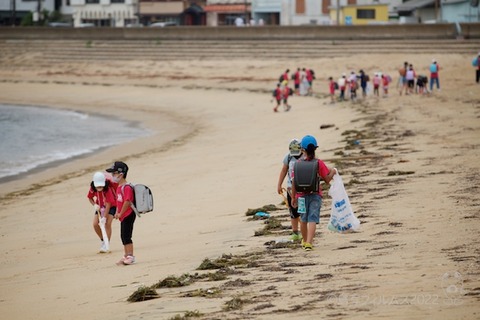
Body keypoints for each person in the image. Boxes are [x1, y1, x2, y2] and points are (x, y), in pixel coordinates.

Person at [291, 135, 336, 251]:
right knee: (312, 219)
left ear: (302, 150)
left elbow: (294, 182)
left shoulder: (297, 164)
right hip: (315, 195)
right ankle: (309, 243)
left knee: (303, 219)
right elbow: (326, 179)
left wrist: (293, 197)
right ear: (315, 148)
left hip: (300, 196)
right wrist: (333, 171)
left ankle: (304, 241)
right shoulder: (319, 163)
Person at [106, 161, 137, 265]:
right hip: (123, 215)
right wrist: (117, 212)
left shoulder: (126, 187)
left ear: (121, 174)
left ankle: (130, 256)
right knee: (123, 236)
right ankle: (126, 254)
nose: (112, 176)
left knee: (127, 235)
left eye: (114, 173)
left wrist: (120, 213)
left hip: (128, 214)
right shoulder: (119, 187)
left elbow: (127, 202)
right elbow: (119, 202)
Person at [277, 139, 303, 241]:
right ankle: (295, 232)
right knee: (293, 211)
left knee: (303, 211)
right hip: (290, 189)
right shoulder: (288, 157)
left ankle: (306, 231)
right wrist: (279, 184)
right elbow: (284, 170)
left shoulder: (305, 157)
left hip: (302, 189)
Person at [87, 171, 116, 253]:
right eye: (98, 186)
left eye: (101, 186)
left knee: (107, 224)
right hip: (99, 207)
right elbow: (90, 197)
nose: (99, 187)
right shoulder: (92, 188)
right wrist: (94, 205)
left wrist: (104, 217)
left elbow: (108, 204)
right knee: (95, 224)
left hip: (111, 207)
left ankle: (107, 243)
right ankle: (103, 240)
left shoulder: (108, 189)